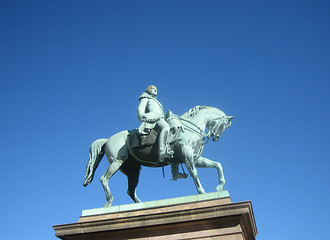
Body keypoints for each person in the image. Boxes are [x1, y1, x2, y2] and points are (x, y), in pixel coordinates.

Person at [137, 85, 174, 162]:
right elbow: (141, 107)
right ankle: (162, 151)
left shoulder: (156, 101)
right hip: (153, 117)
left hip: (161, 117)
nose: (155, 90)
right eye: (152, 89)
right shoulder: (145, 97)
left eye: (156, 89)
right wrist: (141, 115)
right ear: (148, 90)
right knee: (166, 127)